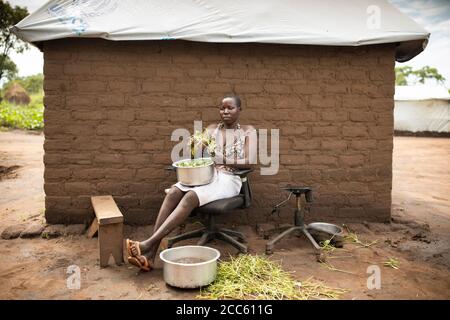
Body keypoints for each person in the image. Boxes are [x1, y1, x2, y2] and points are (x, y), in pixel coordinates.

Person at [126, 94, 256, 271]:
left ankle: (148, 244)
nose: (225, 111)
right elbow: (198, 157)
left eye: (230, 108)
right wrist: (196, 146)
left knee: (191, 197)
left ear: (239, 110)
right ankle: (149, 255)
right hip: (207, 175)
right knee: (173, 192)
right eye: (222, 108)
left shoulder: (248, 131)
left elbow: (250, 161)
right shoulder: (211, 130)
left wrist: (222, 158)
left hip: (229, 179)